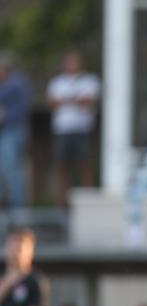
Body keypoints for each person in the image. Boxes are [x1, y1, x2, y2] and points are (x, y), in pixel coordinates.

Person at [47, 51, 101, 207]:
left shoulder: (89, 80)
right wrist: (75, 99)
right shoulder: (57, 82)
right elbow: (52, 103)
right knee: (61, 165)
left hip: (82, 129)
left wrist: (64, 100)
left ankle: (88, 200)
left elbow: (87, 101)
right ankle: (62, 203)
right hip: (62, 130)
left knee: (84, 164)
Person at [0, 227, 47, 306]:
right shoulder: (3, 279)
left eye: (21, 246)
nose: (16, 250)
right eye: (13, 244)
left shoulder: (34, 281)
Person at [0, 52, 31, 211]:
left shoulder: (16, 83)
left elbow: (18, 110)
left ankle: (17, 208)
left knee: (11, 169)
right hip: (5, 131)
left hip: (12, 131)